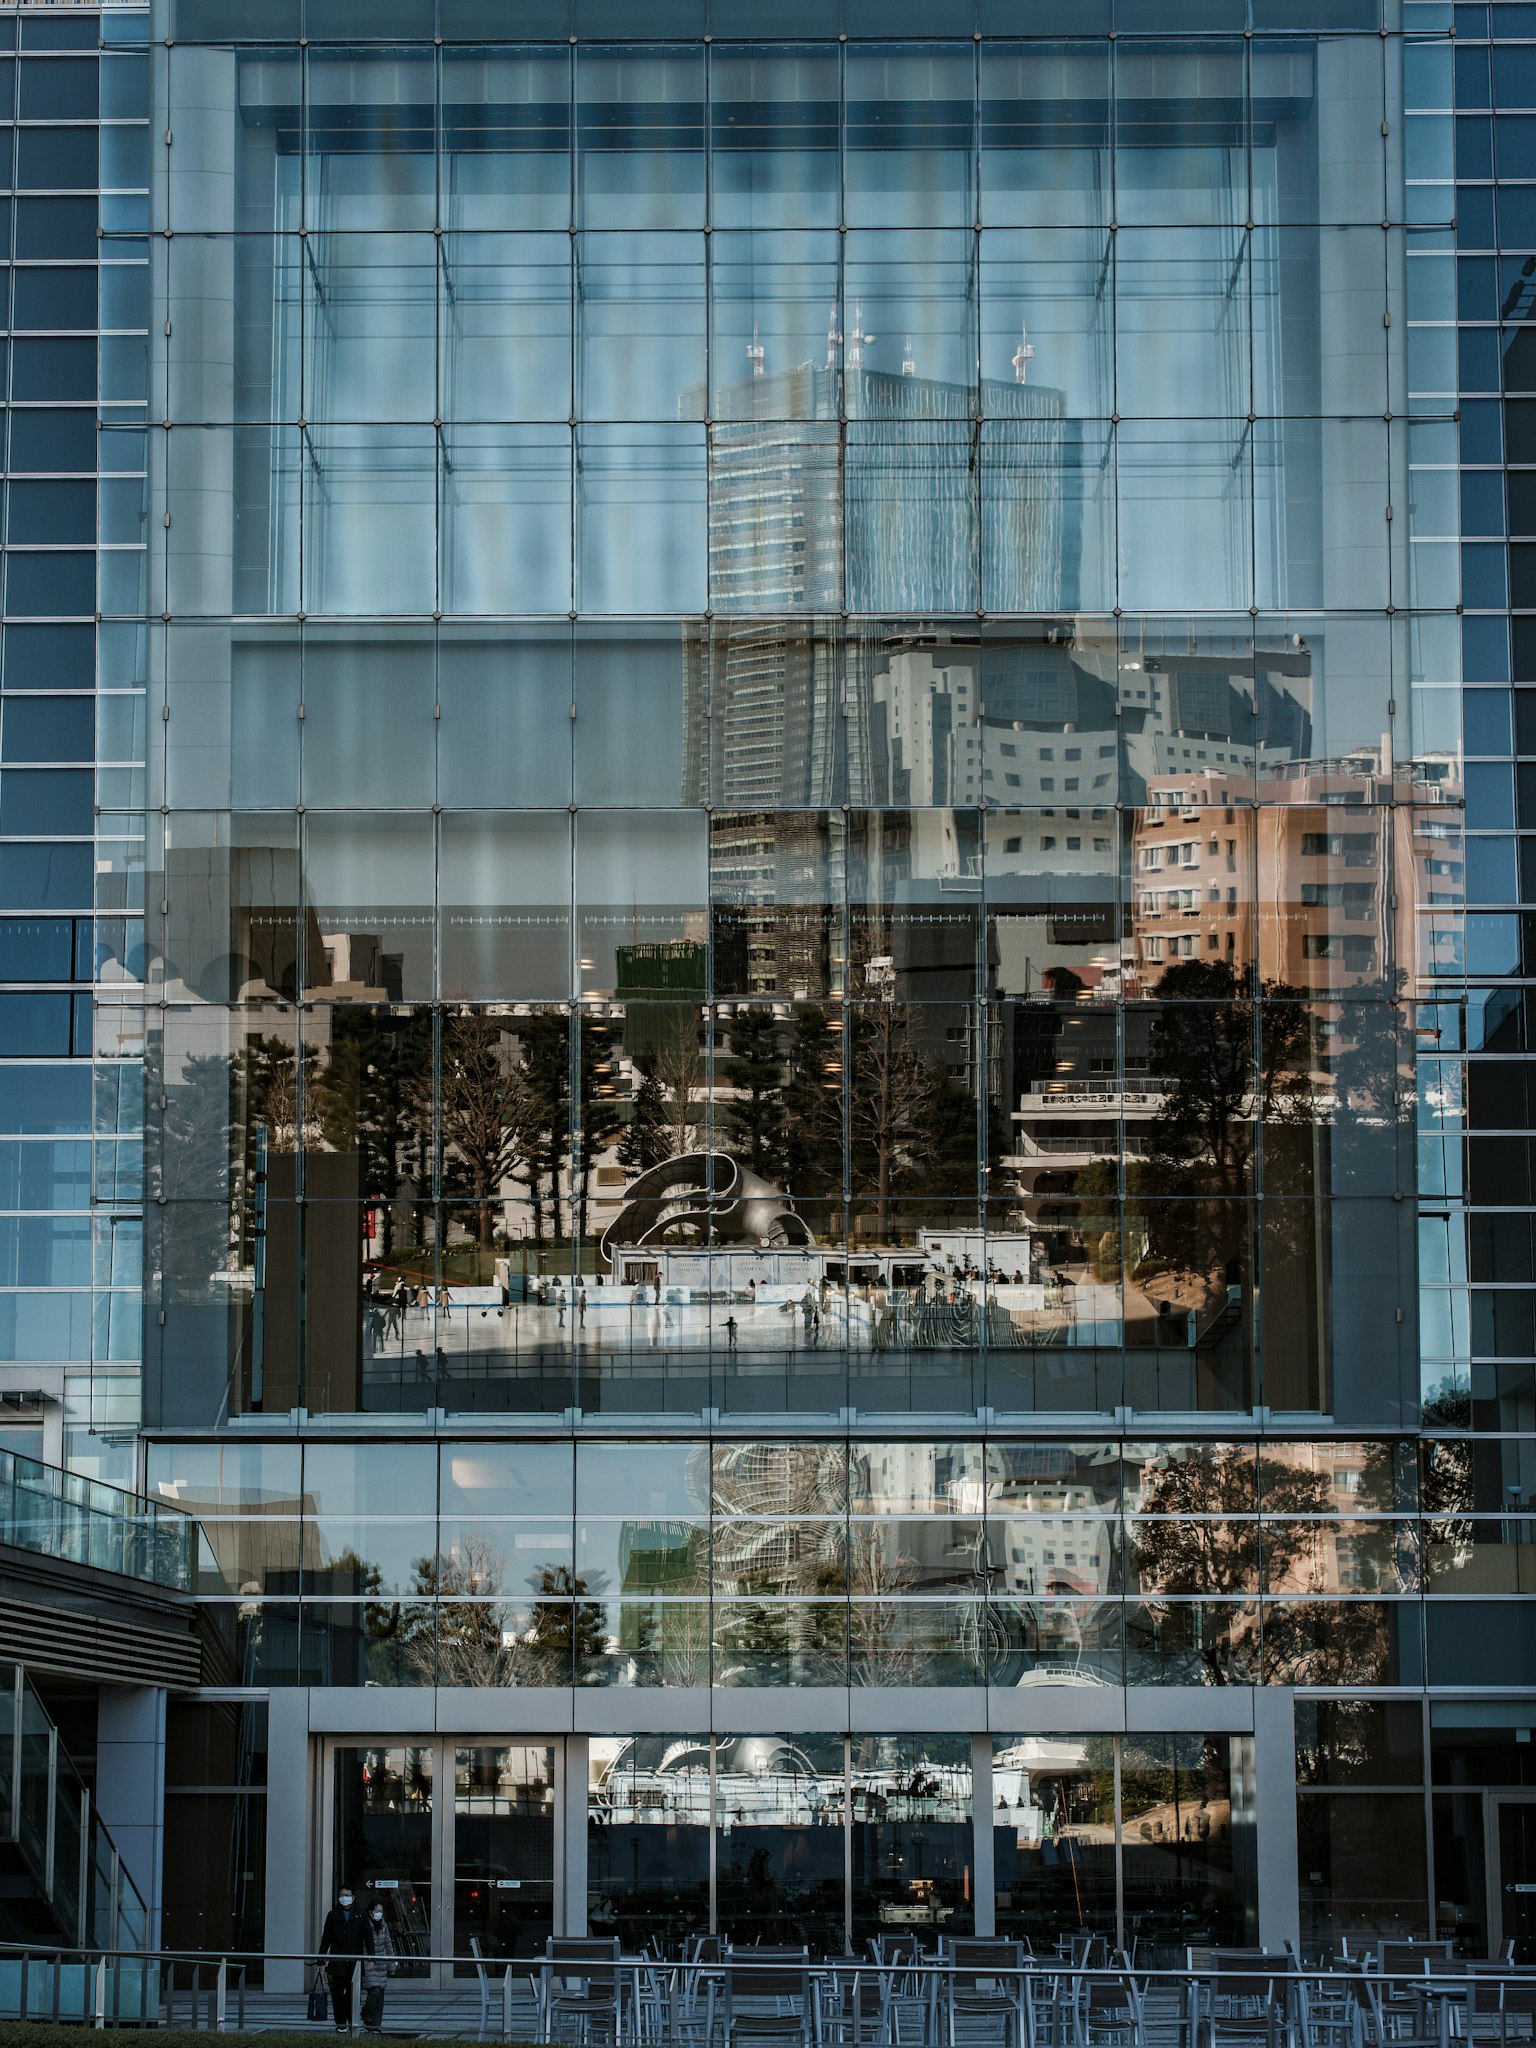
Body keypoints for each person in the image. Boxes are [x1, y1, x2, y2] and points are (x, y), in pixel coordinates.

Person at [318, 1882, 372, 2034]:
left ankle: (351, 2019)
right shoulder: (333, 1915)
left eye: (347, 1896)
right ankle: (340, 2022)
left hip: (355, 1962)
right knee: (337, 1994)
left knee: (352, 1993)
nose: (344, 1898)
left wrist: (371, 1958)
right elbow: (326, 1938)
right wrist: (321, 1959)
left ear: (353, 1897)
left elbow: (368, 1937)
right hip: (337, 1961)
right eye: (342, 1896)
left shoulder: (360, 1915)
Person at [360, 1903, 395, 2034]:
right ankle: (365, 2014)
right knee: (374, 1991)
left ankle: (375, 2025)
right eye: (376, 1911)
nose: (379, 1913)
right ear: (370, 1911)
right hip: (369, 1964)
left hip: (381, 1964)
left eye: (381, 1911)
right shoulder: (365, 1925)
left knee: (380, 1996)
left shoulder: (383, 1926)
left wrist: (392, 1964)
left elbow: (388, 1945)